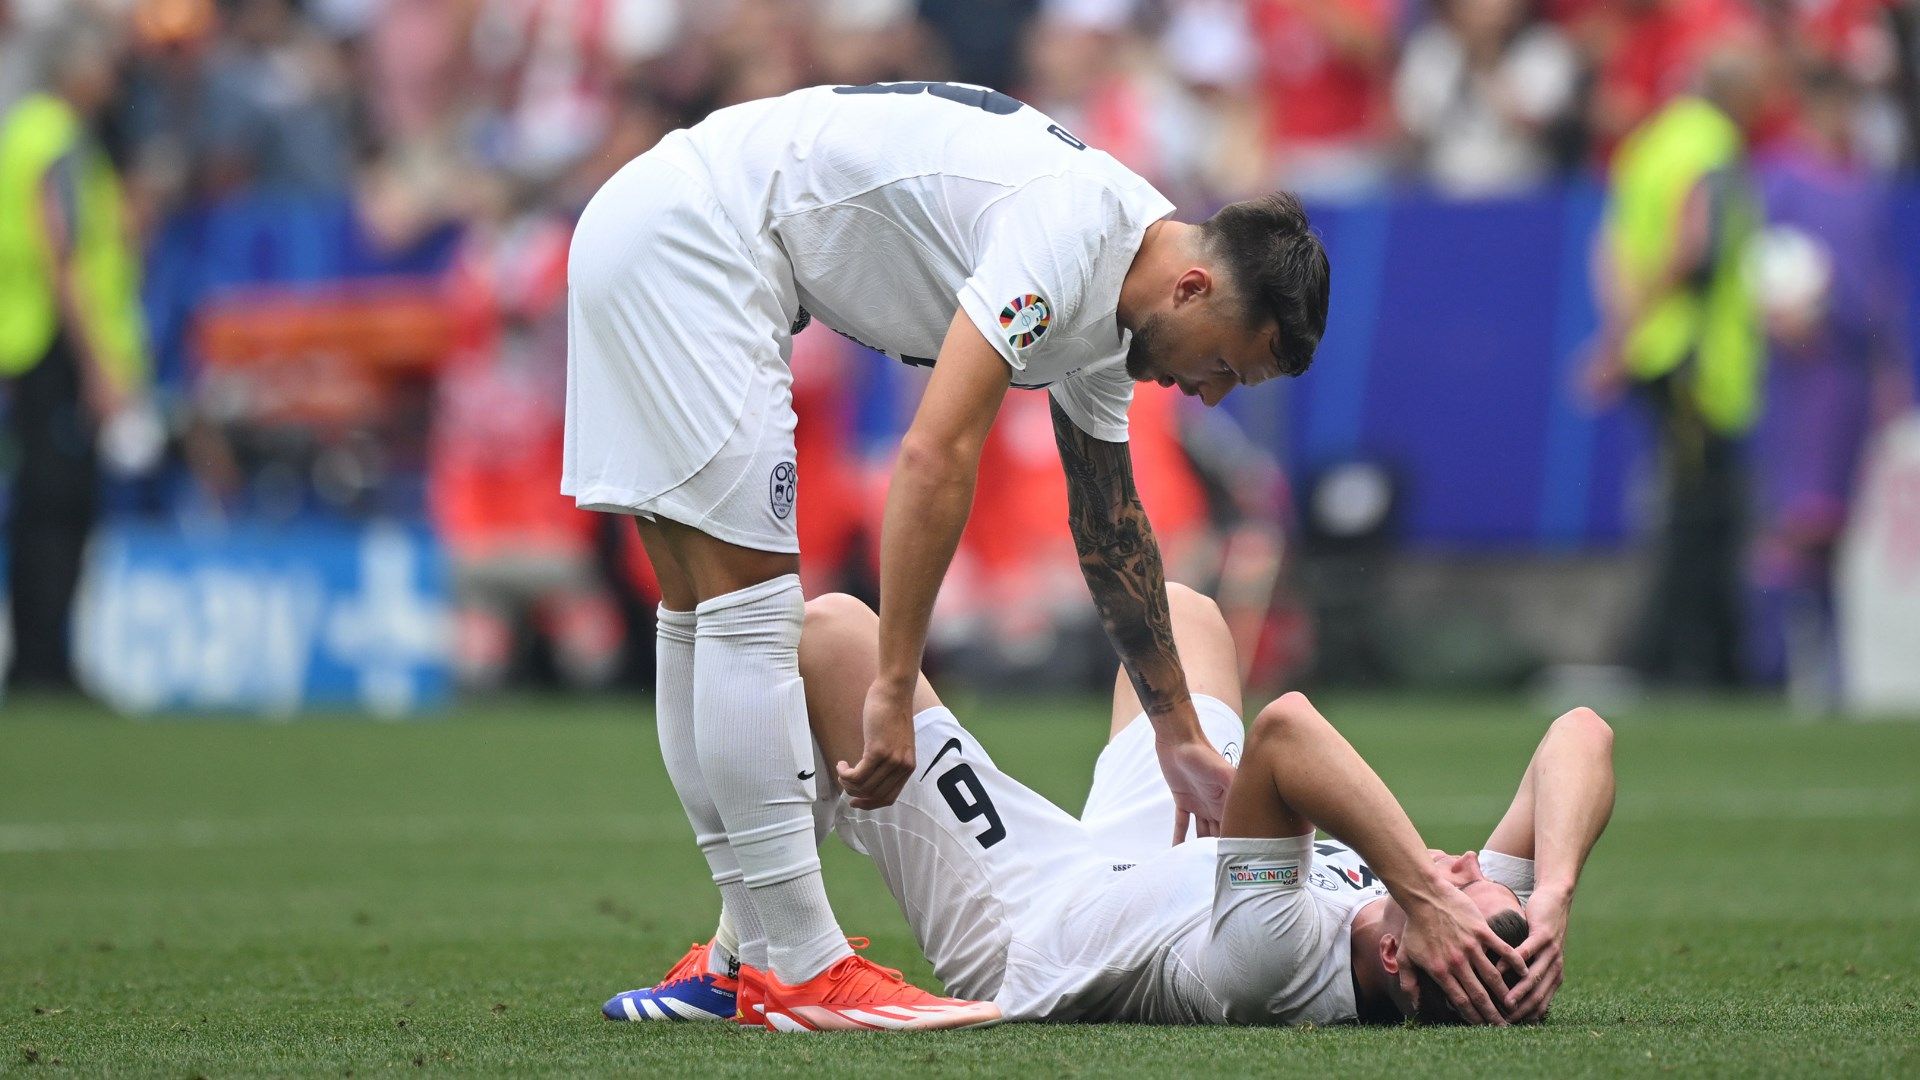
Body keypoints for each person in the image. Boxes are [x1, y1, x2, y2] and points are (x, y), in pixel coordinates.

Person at [565, 81, 1339, 1029]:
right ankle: (801, 966)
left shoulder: (1112, 289)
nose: (1210, 395)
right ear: (1194, 287)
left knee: (698, 611)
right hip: (696, 249)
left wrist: (1175, 728)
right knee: (749, 613)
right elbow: (936, 453)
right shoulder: (1070, 231)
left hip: (658, 232)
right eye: (1226, 363)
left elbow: (1109, 527)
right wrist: (894, 682)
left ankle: (742, 962)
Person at [608, 584, 1609, 1028]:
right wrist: (1554, 891)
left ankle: (746, 957)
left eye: (1464, 892)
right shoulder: (1450, 937)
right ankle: (749, 953)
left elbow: (1290, 732)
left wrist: (1415, 885)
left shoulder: (1278, 963)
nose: (1470, 867)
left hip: (1035, 916)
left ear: (1403, 954)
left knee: (829, 636)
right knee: (1183, 615)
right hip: (1163, 863)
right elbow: (1581, 733)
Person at [1583, 48, 1766, 688]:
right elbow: (1697, 245)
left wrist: (1619, 337)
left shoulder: (1648, 147)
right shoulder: (1711, 143)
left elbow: (1607, 247)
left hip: (1655, 356)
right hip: (1696, 356)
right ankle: (1694, 662)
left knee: (1679, 507)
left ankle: (1680, 655)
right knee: (1704, 514)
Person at [0, 17, 153, 692]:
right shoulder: (59, 140)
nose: (112, 80)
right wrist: (99, 364)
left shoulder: (23, 133)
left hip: (26, 338)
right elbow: (64, 254)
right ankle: (43, 662)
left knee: (42, 504)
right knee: (59, 509)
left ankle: (40, 656)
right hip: (52, 346)